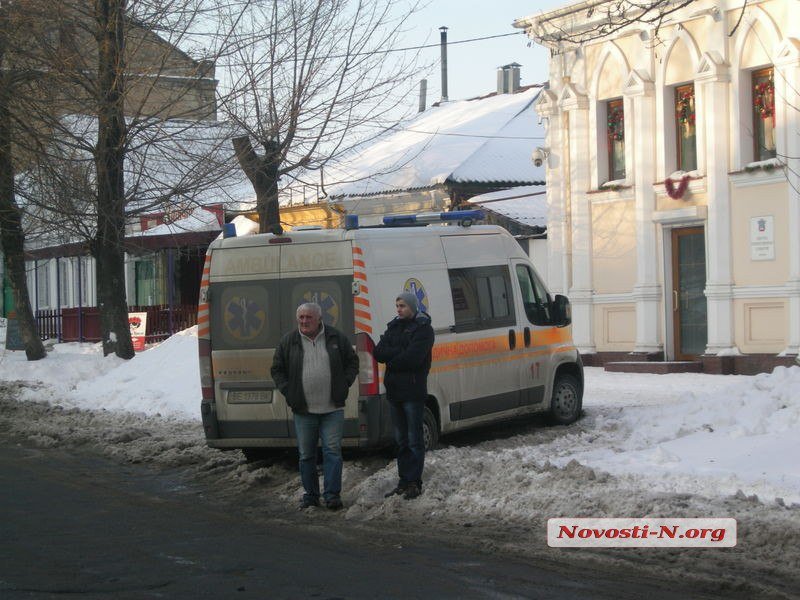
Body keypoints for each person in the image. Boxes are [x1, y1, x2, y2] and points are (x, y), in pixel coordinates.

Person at [271, 302, 359, 510]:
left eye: (308, 317)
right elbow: (277, 369)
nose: (304, 321)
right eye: (301, 317)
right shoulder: (289, 341)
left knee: (332, 452)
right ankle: (310, 495)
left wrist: (343, 382)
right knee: (307, 455)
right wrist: (288, 390)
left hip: (332, 408)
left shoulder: (336, 338)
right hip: (303, 410)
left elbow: (352, 362)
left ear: (319, 318)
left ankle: (332, 495)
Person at [374, 291, 435, 500]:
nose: (399, 309)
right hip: (394, 391)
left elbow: (413, 359)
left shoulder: (424, 329)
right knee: (401, 440)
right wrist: (398, 351)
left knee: (414, 439)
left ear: (412, 307)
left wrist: (393, 357)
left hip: (413, 390)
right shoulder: (394, 326)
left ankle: (414, 482)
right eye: (397, 305)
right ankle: (403, 480)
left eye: (403, 306)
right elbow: (378, 352)